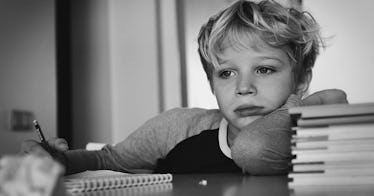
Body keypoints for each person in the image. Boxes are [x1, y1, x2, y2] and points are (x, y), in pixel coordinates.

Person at [21, 0, 347, 175]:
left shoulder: (315, 139)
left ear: (301, 80)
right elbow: (108, 160)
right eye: (226, 73)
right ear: (211, 83)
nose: (244, 87)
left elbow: (255, 149)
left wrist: (304, 107)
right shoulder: (178, 129)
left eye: (264, 69)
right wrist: (59, 161)